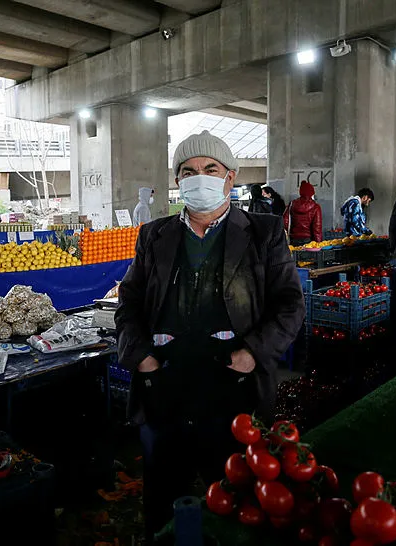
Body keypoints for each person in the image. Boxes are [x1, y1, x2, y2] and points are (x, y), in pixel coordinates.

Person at [115, 130, 305, 541]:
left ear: (230, 178)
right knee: (164, 499)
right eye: (187, 171)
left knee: (240, 497)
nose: (197, 177)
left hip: (235, 386)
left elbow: (290, 305)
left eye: (209, 169)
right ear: (178, 180)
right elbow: (128, 302)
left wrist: (253, 353)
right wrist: (142, 357)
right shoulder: (155, 235)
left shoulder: (264, 232)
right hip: (164, 384)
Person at [283, 180, 323, 245]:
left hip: (294, 239)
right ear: (311, 193)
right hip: (309, 240)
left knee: (295, 254)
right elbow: (317, 228)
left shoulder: (292, 204)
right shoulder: (316, 207)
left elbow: (285, 222)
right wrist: (318, 244)